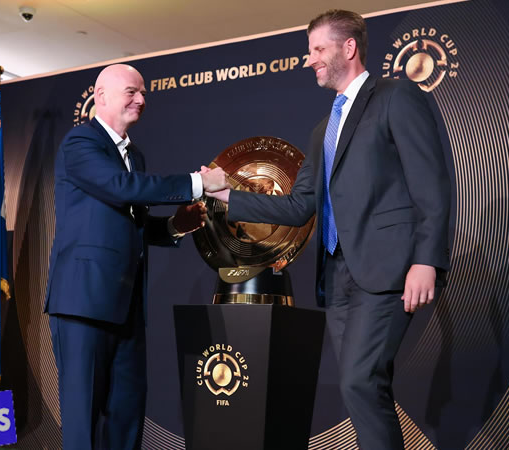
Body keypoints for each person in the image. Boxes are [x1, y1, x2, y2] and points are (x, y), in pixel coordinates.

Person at [207, 10, 451, 449]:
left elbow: (431, 184)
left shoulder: (396, 96)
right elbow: (299, 206)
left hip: (388, 269)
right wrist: (228, 194)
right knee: (364, 388)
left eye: (318, 49)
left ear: (349, 47)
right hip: (337, 278)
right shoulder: (324, 128)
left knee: (360, 381)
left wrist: (426, 260)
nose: (310, 60)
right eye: (310, 51)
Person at [44, 63, 228, 449]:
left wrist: (174, 226)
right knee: (83, 419)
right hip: (83, 302)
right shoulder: (81, 142)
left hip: (126, 306)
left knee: (126, 415)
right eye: (132, 91)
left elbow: (130, 224)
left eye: (143, 92)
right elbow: (121, 187)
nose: (141, 99)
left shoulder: (135, 156)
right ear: (101, 96)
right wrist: (199, 183)